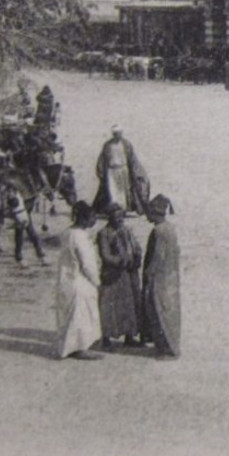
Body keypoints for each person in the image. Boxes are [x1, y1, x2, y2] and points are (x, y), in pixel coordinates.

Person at [55, 201, 102, 360]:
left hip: (67, 278)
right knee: (81, 315)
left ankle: (70, 347)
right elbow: (87, 264)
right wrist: (97, 281)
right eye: (92, 217)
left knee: (70, 316)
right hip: (80, 281)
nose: (94, 221)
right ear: (84, 218)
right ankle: (80, 348)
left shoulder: (68, 233)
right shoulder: (80, 237)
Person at [96, 204, 143, 349]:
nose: (119, 220)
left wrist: (136, 258)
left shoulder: (127, 230)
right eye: (116, 217)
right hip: (112, 274)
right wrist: (120, 260)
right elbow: (105, 255)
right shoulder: (104, 233)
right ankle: (106, 338)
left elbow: (137, 247)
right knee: (108, 306)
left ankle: (129, 336)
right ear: (109, 218)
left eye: (121, 217)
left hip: (126, 274)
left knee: (128, 305)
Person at [142, 194, 182, 360]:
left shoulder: (159, 231)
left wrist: (148, 273)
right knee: (169, 310)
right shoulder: (170, 228)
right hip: (171, 275)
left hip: (160, 277)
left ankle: (168, 349)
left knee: (160, 310)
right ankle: (168, 345)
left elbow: (158, 256)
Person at [93, 125, 151, 216]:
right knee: (113, 191)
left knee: (124, 191)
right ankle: (114, 210)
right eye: (116, 134)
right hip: (111, 171)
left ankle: (123, 209)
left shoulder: (126, 144)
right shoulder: (108, 145)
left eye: (119, 133)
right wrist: (101, 172)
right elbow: (102, 159)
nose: (118, 135)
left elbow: (132, 159)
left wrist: (136, 172)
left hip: (124, 170)